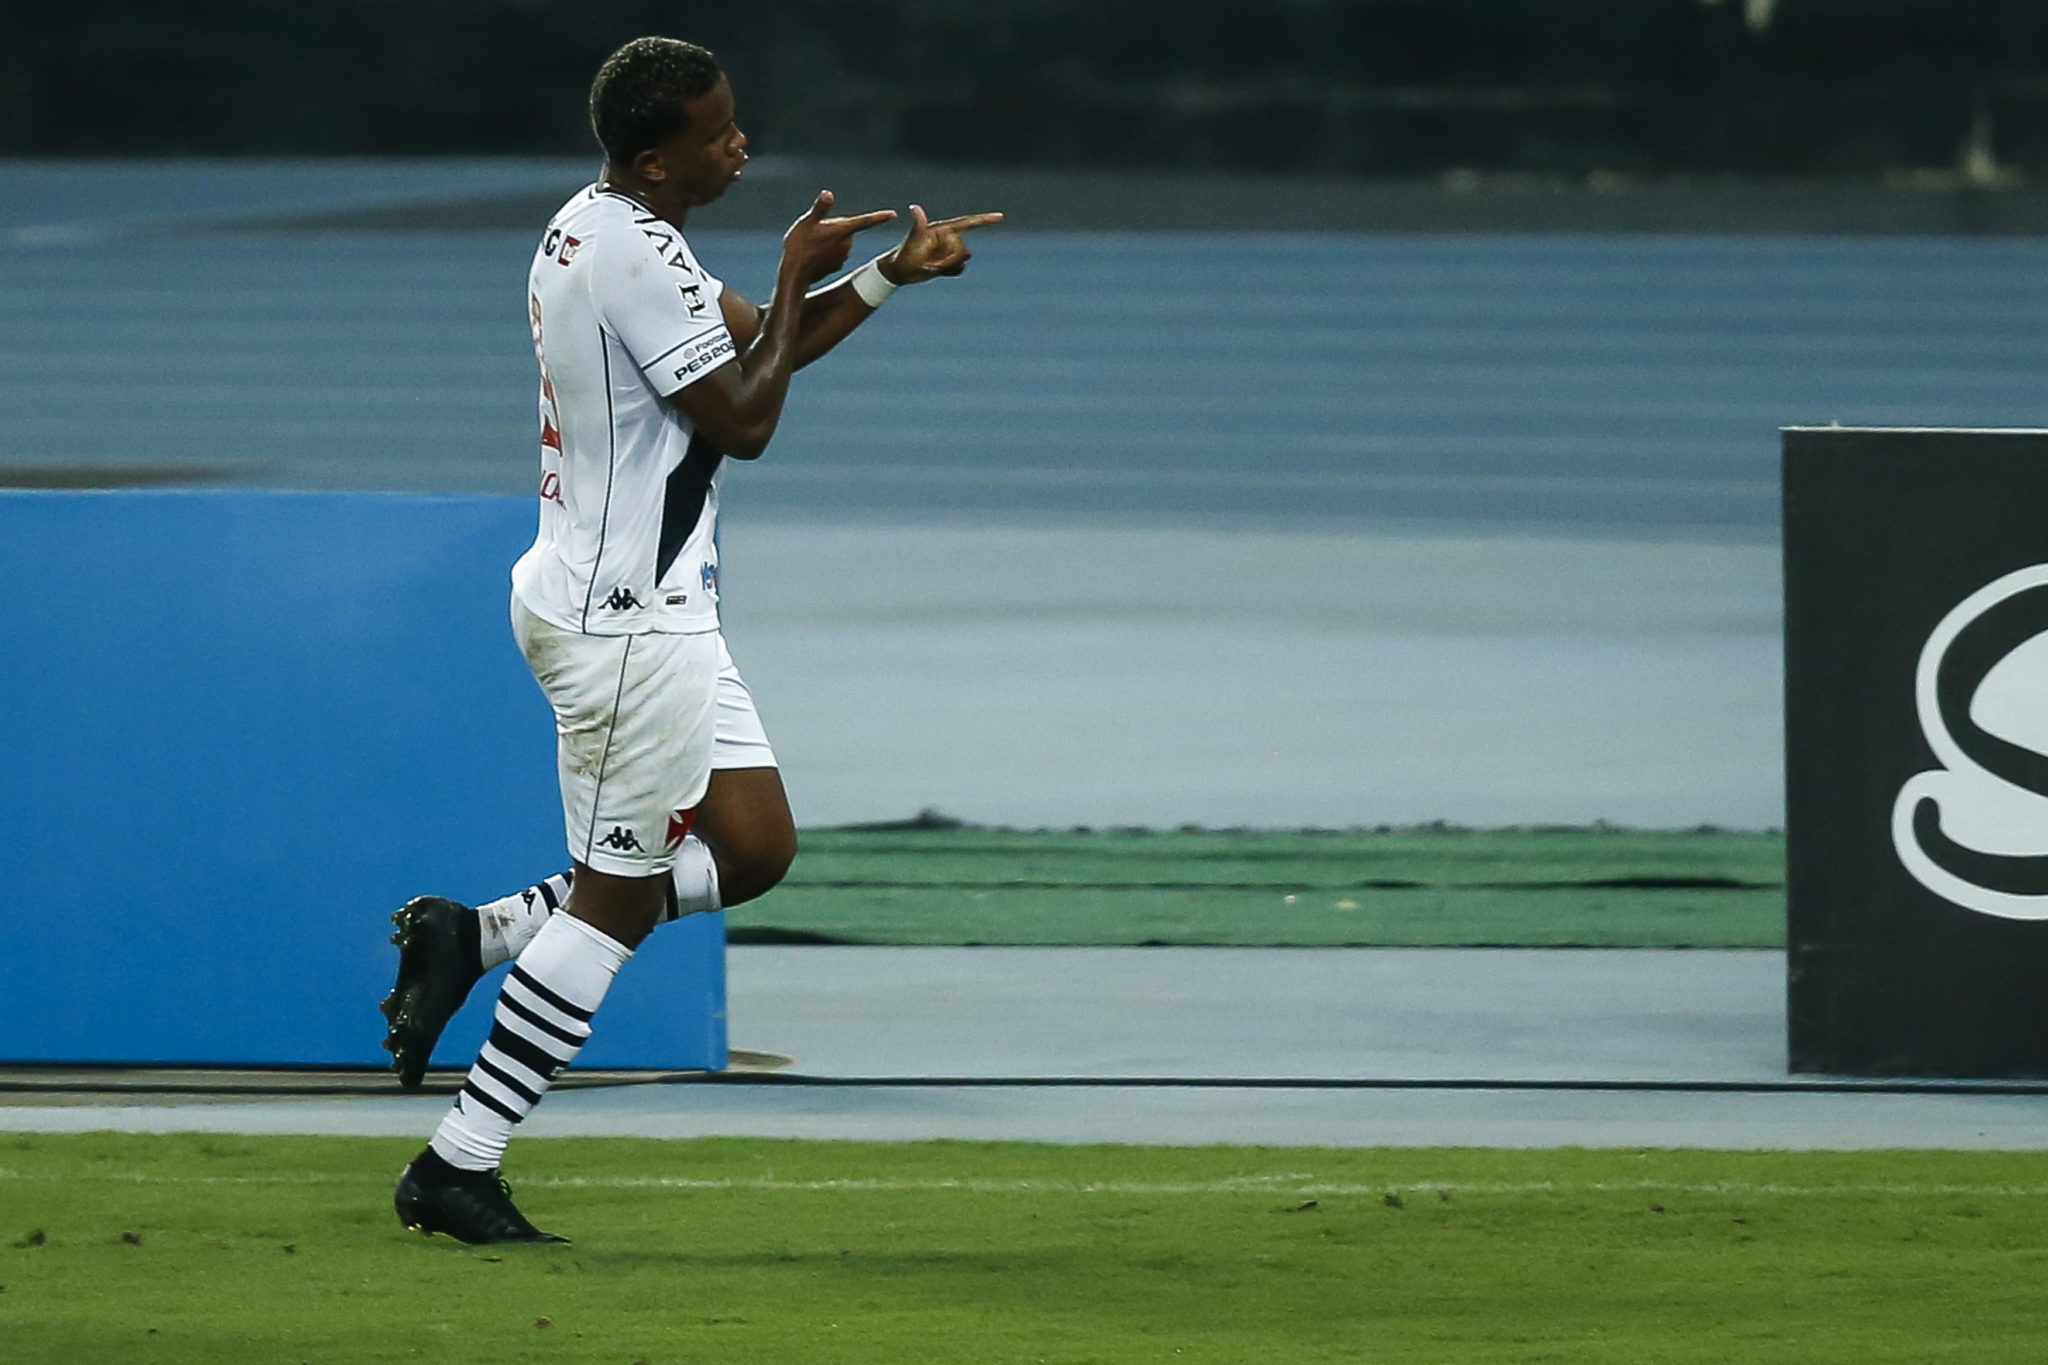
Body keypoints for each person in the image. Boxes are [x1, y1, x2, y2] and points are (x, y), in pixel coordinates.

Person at [386, 35, 1001, 1245]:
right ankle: (456, 1166)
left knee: (755, 846)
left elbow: (765, 356)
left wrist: (882, 276)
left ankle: (484, 934)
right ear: (658, 159)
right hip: (624, 627)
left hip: (654, 612)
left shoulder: (613, 227)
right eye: (719, 133)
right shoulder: (627, 252)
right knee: (615, 901)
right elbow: (745, 416)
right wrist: (784, 277)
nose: (741, 145)